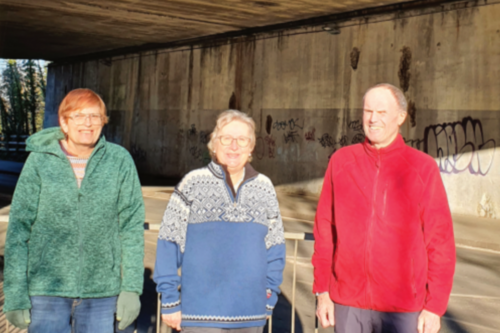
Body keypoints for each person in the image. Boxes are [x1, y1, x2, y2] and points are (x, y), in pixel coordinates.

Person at [312, 83, 456, 333]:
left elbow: (440, 241)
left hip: (402, 308)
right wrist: (322, 291)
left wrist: (434, 307)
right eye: (368, 111)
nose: (372, 119)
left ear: (400, 117)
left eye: (381, 112)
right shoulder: (341, 161)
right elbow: (325, 230)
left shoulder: (422, 168)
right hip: (348, 303)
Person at [3, 88, 145, 333]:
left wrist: (131, 288)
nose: (87, 123)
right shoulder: (39, 162)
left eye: (94, 116)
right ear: (64, 123)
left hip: (102, 294)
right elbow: (18, 231)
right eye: (78, 116)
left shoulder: (119, 161)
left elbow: (131, 228)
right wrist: (15, 294)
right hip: (46, 291)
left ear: (103, 121)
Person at [154, 109, 285, 332]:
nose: (234, 146)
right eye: (226, 139)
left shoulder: (265, 187)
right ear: (214, 144)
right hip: (200, 317)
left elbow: (275, 247)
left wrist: (269, 296)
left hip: (250, 316)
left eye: (242, 140)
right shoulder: (192, 183)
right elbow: (169, 241)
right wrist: (169, 301)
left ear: (251, 147)